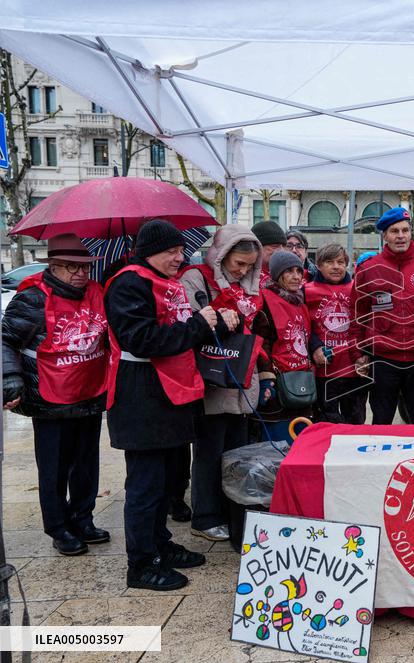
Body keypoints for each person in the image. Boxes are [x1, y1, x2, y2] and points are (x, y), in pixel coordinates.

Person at [105, 219, 238, 590]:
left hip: (174, 395)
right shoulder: (128, 283)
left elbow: (183, 332)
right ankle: (142, 563)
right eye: (171, 252)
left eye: (182, 251)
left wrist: (217, 325)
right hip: (142, 398)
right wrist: (198, 325)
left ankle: (160, 543)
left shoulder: (169, 284)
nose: (180, 258)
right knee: (146, 485)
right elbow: (141, 339)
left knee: (166, 483)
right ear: (149, 252)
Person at [1, 234, 110, 556]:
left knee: (87, 464)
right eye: (70, 267)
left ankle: (83, 519)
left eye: (85, 268)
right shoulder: (31, 298)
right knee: (54, 468)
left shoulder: (96, 293)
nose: (80, 274)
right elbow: (6, 341)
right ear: (52, 266)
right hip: (49, 396)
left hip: (89, 391)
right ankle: (58, 527)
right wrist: (10, 379)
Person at [179, 225, 263, 542]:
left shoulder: (251, 289)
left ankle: (233, 514)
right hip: (211, 379)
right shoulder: (196, 278)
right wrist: (214, 312)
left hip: (240, 378)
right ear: (221, 255)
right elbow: (188, 320)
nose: (242, 271)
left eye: (248, 266)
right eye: (237, 264)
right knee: (209, 451)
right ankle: (205, 515)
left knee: (236, 453)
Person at [350, 207, 414, 425]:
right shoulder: (369, 269)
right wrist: (358, 354)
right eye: (395, 231)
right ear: (385, 235)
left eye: (405, 230)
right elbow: (357, 315)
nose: (401, 236)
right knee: (382, 420)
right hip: (384, 360)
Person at [253, 250, 314, 440]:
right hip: (278, 386)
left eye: (299, 271)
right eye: (289, 271)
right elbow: (263, 344)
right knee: (279, 445)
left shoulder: (300, 302)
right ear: (278, 274)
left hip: (301, 382)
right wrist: (266, 379)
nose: (296, 276)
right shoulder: (265, 300)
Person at [304, 243, 367, 425]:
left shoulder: (358, 289)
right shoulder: (307, 291)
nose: (336, 267)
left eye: (340, 262)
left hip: (355, 370)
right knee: (326, 422)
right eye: (329, 262)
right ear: (319, 265)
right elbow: (302, 324)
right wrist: (314, 346)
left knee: (355, 422)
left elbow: (368, 323)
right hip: (325, 372)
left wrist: (366, 354)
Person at [251, 220, 286, 289]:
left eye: (284, 246)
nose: (282, 250)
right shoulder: (242, 274)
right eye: (275, 246)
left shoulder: (289, 273)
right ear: (257, 246)